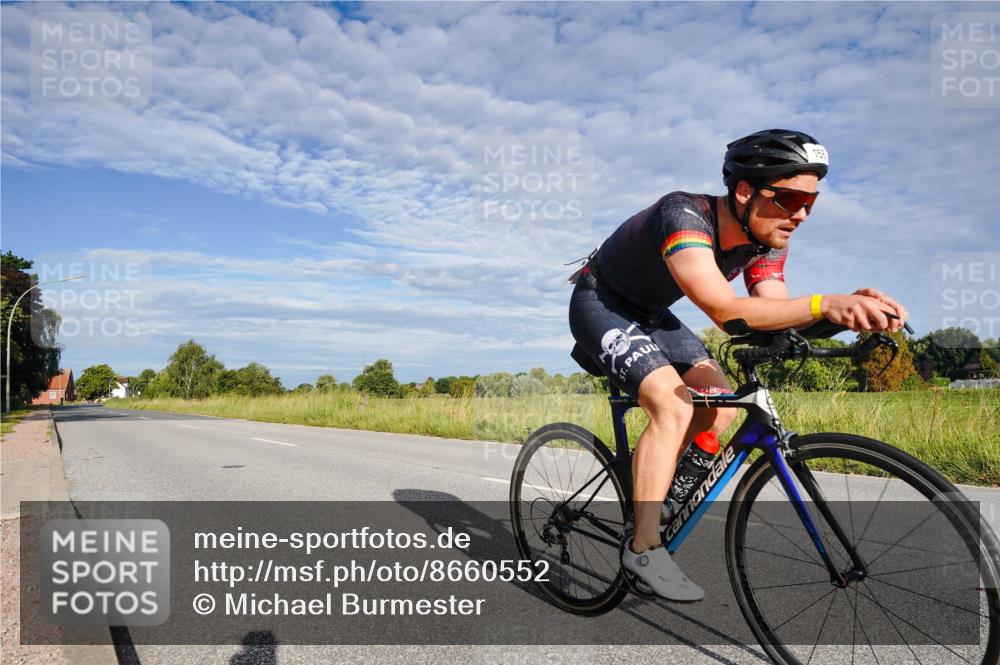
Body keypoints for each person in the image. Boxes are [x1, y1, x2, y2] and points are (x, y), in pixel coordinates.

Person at [567, 129, 908, 601]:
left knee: (722, 405)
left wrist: (847, 313)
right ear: (745, 191)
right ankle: (643, 548)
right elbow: (726, 311)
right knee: (673, 406)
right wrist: (825, 302)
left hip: (652, 314)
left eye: (811, 203)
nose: (801, 215)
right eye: (790, 199)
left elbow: (773, 314)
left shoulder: (768, 241)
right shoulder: (683, 216)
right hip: (602, 302)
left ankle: (659, 493)